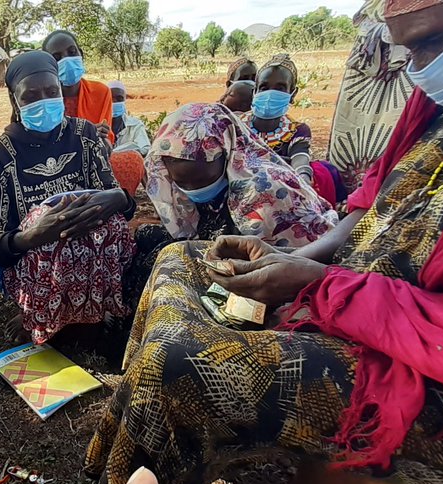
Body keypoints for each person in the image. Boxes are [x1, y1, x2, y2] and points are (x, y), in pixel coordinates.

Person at [87, 0, 443, 484]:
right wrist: (297, 260)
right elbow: (367, 204)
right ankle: (128, 436)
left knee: (180, 366)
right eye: (407, 48)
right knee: (177, 260)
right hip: (355, 296)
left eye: (431, 41)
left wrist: (327, 288)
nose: (417, 67)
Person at [0, 51, 137, 344]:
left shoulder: (84, 135)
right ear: (15, 100)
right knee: (51, 231)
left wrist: (117, 198)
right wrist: (32, 235)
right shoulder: (0, 154)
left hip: (90, 254)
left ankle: (91, 313)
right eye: (31, 96)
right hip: (35, 261)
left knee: (110, 225)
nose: (44, 101)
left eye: (51, 92)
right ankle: (41, 314)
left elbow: (124, 208)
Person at [126, 102, 336, 306]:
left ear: (227, 154)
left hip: (280, 267)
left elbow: (264, 265)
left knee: (164, 268)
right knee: (146, 239)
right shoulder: (171, 174)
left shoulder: (265, 192)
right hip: (222, 238)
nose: (192, 189)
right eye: (182, 183)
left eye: (200, 181)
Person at [327, 0, 415, 190]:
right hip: (365, 75)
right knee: (351, 127)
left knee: (396, 129)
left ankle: (379, 195)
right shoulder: (374, 7)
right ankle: (349, 194)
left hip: (405, 72)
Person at [239, 54, 347, 207]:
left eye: (280, 88)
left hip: (282, 188)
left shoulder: (297, 130)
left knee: (324, 173)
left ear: (292, 94)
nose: (271, 93)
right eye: (264, 87)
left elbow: (300, 158)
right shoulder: (236, 125)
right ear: (254, 91)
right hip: (242, 185)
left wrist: (303, 179)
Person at [42, 31, 115, 149]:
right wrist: (86, 134)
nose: (66, 59)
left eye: (71, 52)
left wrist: (99, 137)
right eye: (57, 57)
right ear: (48, 65)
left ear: (81, 54)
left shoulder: (100, 92)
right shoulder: (43, 101)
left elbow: (106, 141)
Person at [106, 80, 150, 196]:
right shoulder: (97, 124)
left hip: (126, 169)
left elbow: (145, 148)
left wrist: (116, 153)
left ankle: (155, 201)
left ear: (125, 100)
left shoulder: (134, 124)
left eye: (119, 98)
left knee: (138, 161)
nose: (115, 102)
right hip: (104, 170)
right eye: (111, 99)